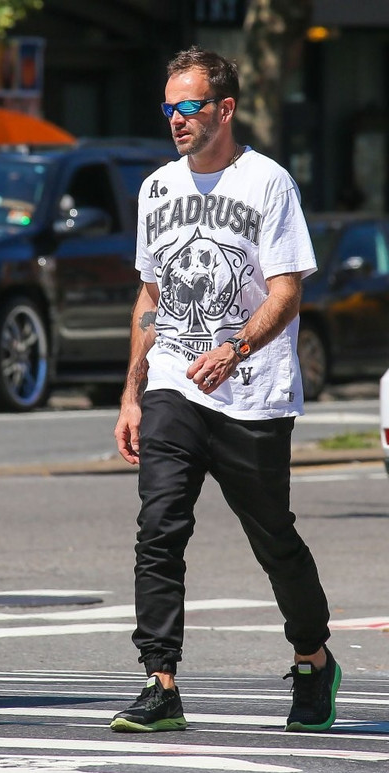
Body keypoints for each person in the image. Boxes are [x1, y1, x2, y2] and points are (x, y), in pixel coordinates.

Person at [110, 46, 342, 734]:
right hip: (175, 384)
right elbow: (149, 296)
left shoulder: (267, 184)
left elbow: (287, 291)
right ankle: (160, 684)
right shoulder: (157, 188)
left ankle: (313, 656)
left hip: (252, 392)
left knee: (272, 536)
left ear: (225, 108)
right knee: (159, 530)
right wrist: (132, 391)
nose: (177, 119)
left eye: (189, 106)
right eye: (169, 108)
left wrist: (236, 347)